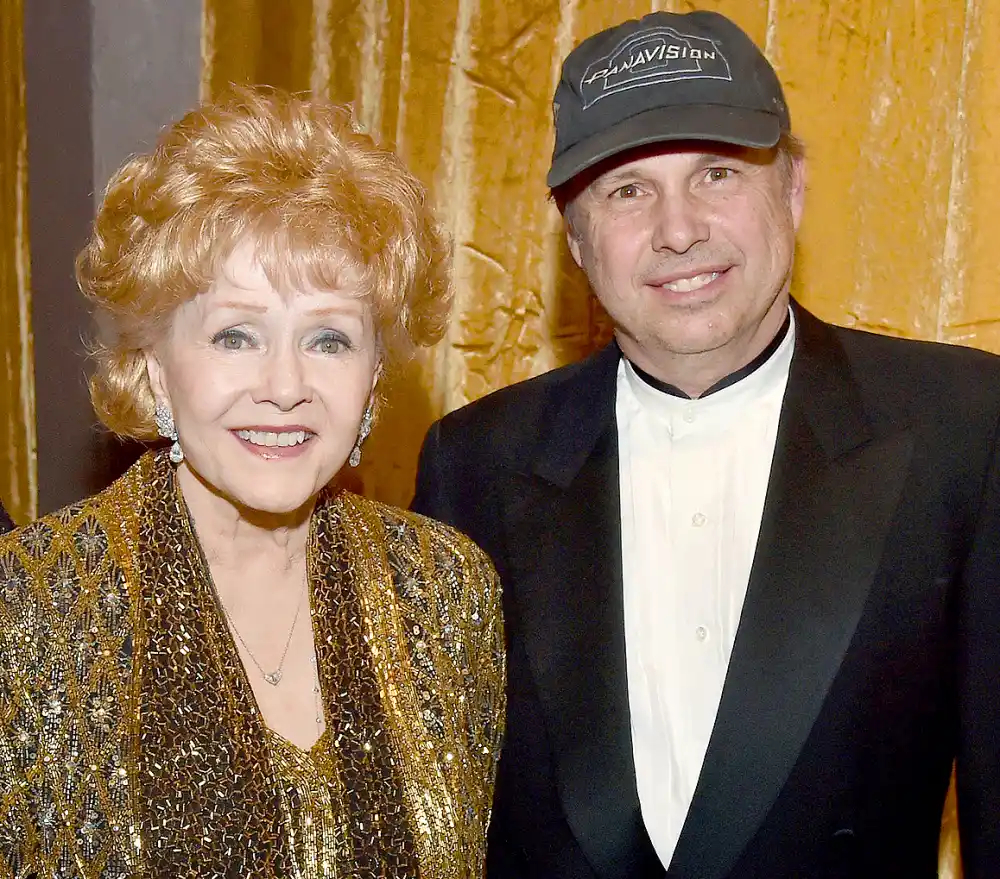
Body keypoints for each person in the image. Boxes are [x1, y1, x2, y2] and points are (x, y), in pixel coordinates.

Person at [412, 10, 1000, 879]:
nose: (677, 229)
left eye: (716, 172)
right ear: (574, 237)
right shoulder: (472, 463)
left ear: (792, 189)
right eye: (627, 190)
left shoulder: (966, 424)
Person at [0, 86, 504, 876]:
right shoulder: (31, 605)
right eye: (236, 335)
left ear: (374, 375)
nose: (284, 384)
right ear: (154, 364)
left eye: (329, 340)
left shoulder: (443, 589)